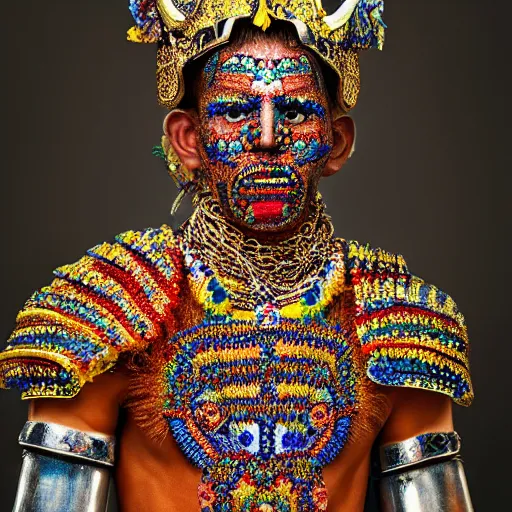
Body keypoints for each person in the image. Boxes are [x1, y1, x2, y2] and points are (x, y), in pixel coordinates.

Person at [0, 1, 474, 511]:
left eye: (293, 112)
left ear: (336, 143)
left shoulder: (398, 324)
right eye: (234, 111)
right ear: (188, 139)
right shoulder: (108, 311)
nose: (267, 137)